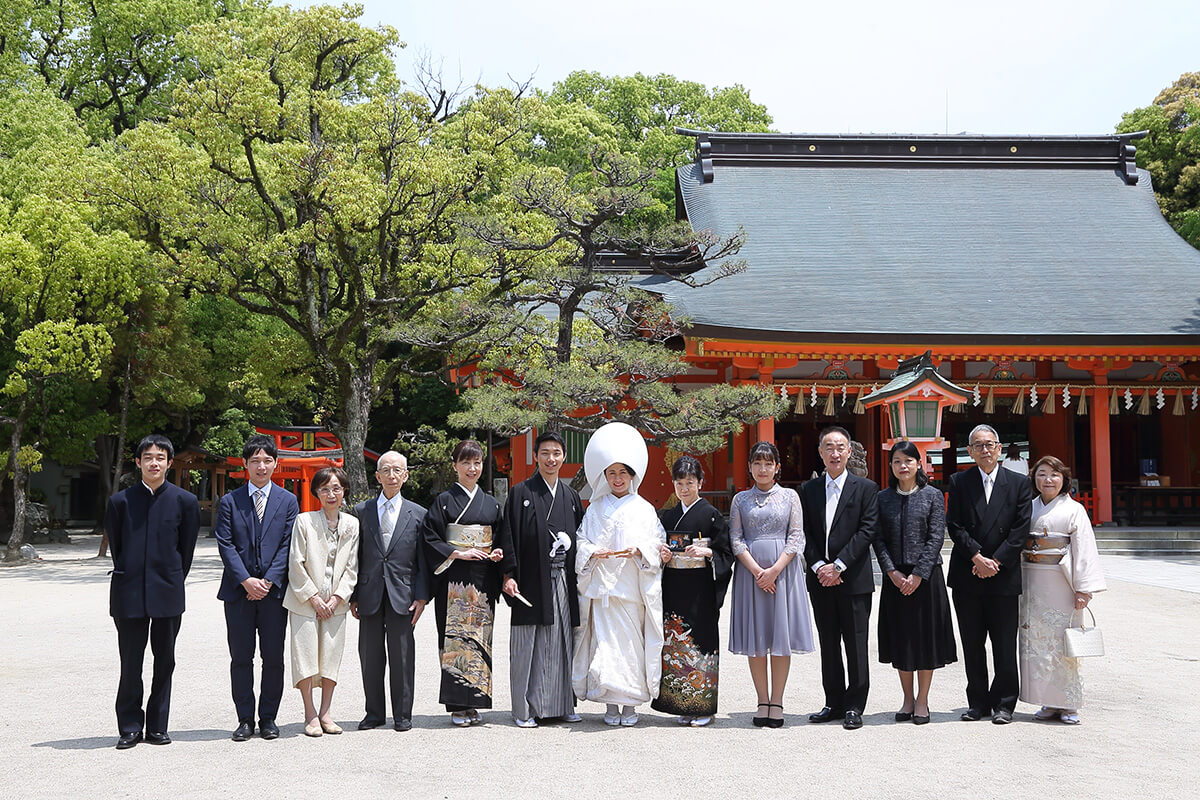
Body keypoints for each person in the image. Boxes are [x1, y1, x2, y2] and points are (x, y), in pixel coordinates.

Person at [106, 434, 200, 750]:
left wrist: (170, 578)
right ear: (138, 462)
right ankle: (130, 726)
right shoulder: (120, 502)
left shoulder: (184, 502)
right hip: (128, 592)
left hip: (168, 592)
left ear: (169, 463)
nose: (154, 462)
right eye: (148, 457)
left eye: (160, 457)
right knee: (130, 662)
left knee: (165, 661)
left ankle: (158, 726)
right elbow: (117, 549)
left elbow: (185, 551)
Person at [572, 422, 666, 727]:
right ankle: (610, 704)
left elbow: (656, 542)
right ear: (604, 477)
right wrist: (591, 553)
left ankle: (629, 705)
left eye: (622, 473)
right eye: (611, 473)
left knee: (630, 649)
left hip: (630, 588)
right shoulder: (595, 508)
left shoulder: (644, 509)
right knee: (605, 647)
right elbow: (582, 541)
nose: (617, 479)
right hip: (603, 590)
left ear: (632, 476)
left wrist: (640, 552)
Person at [214, 434, 299, 742]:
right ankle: (245, 718)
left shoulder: (288, 501)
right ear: (245, 464)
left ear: (275, 463)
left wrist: (268, 580)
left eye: (267, 460)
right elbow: (225, 544)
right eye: (255, 461)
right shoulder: (229, 501)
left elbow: (288, 543)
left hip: (274, 593)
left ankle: (268, 718)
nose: (261, 466)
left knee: (273, 657)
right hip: (238, 593)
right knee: (240, 657)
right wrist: (245, 580)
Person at [947, 424, 1033, 724]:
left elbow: (1020, 529)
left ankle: (1005, 703)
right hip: (968, 573)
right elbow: (955, 525)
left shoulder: (1020, 483)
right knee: (972, 642)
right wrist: (976, 557)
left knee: (1004, 642)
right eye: (978, 445)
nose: (985, 449)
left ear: (1000, 448)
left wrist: (994, 561)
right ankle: (977, 702)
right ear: (970, 451)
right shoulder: (959, 481)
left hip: (1003, 575)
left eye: (990, 444)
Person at [498, 432, 585, 728]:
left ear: (563, 457)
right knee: (528, 644)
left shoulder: (570, 496)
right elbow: (507, 534)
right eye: (545, 453)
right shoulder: (521, 492)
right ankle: (524, 708)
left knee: (563, 640)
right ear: (536, 457)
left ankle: (562, 704)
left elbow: (581, 537)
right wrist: (508, 574)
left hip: (563, 578)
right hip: (530, 580)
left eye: (557, 453)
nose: (551, 459)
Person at [728, 441, 814, 729]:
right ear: (749, 467)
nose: (762, 469)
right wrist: (756, 571)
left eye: (768, 463)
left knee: (780, 639)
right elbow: (736, 539)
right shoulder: (740, 499)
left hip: (784, 573)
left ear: (777, 467)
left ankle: (777, 700)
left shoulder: (791, 497)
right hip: (750, 575)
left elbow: (796, 536)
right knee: (756, 640)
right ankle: (761, 699)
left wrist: (775, 570)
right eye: (757, 463)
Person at [801, 426, 880, 731]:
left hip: (853, 579)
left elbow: (867, 530)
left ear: (849, 451)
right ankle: (833, 701)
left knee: (856, 643)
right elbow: (804, 533)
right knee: (829, 642)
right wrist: (820, 565)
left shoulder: (866, 488)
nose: (835, 453)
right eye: (828, 447)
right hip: (820, 579)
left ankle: (855, 705)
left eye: (840, 447)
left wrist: (840, 565)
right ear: (820, 452)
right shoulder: (808, 490)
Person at [873, 441, 957, 725]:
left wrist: (918, 574)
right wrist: (892, 572)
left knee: (925, 640)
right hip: (895, 579)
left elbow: (936, 537)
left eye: (908, 460)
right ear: (891, 466)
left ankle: (923, 700)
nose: (903, 466)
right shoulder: (882, 498)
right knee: (902, 639)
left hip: (927, 578)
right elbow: (878, 539)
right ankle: (907, 699)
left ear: (919, 464)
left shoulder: (933, 495)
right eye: (897, 461)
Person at [423, 440, 505, 727]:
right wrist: (457, 551)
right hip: (453, 581)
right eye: (466, 463)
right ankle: (458, 705)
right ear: (455, 465)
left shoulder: (492, 503)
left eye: (477, 463)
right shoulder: (443, 501)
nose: (472, 469)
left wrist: (497, 552)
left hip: (482, 582)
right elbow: (431, 538)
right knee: (455, 640)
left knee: (480, 641)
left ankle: (477, 700)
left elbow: (500, 538)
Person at [1021, 455, 1106, 724]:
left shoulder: (1074, 510)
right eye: (1042, 474)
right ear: (1034, 478)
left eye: (1054, 474)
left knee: (1064, 643)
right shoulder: (1027, 507)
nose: (1048, 479)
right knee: (1036, 643)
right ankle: (1046, 701)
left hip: (1062, 583)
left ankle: (1068, 703)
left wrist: (1084, 590)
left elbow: (1084, 551)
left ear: (1064, 479)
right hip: (1031, 580)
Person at [651, 455, 733, 727]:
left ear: (700, 482)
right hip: (674, 586)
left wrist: (707, 551)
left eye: (689, 482)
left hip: (700, 587)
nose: (684, 488)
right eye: (679, 483)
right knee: (676, 645)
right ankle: (681, 704)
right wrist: (661, 553)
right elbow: (658, 547)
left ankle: (704, 707)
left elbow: (725, 552)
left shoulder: (710, 514)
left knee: (701, 643)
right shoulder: (669, 515)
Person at [350, 451, 429, 732]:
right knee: (370, 656)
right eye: (386, 470)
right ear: (377, 476)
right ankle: (373, 713)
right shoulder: (361, 512)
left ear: (406, 476)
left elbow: (423, 561)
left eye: (398, 470)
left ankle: (403, 714)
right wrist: (353, 595)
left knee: (402, 656)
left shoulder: (419, 514)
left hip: (404, 596)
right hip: (369, 593)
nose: (392, 476)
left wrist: (421, 597)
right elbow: (354, 557)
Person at [283, 466, 360, 737]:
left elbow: (352, 567)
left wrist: (338, 597)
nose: (331, 494)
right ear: (316, 492)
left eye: (336, 488)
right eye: (325, 488)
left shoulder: (352, 524)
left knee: (330, 656)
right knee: (304, 656)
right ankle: (309, 712)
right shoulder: (304, 521)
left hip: (336, 603)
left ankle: (326, 711)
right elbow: (295, 563)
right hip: (304, 602)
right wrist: (314, 598)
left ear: (344, 492)